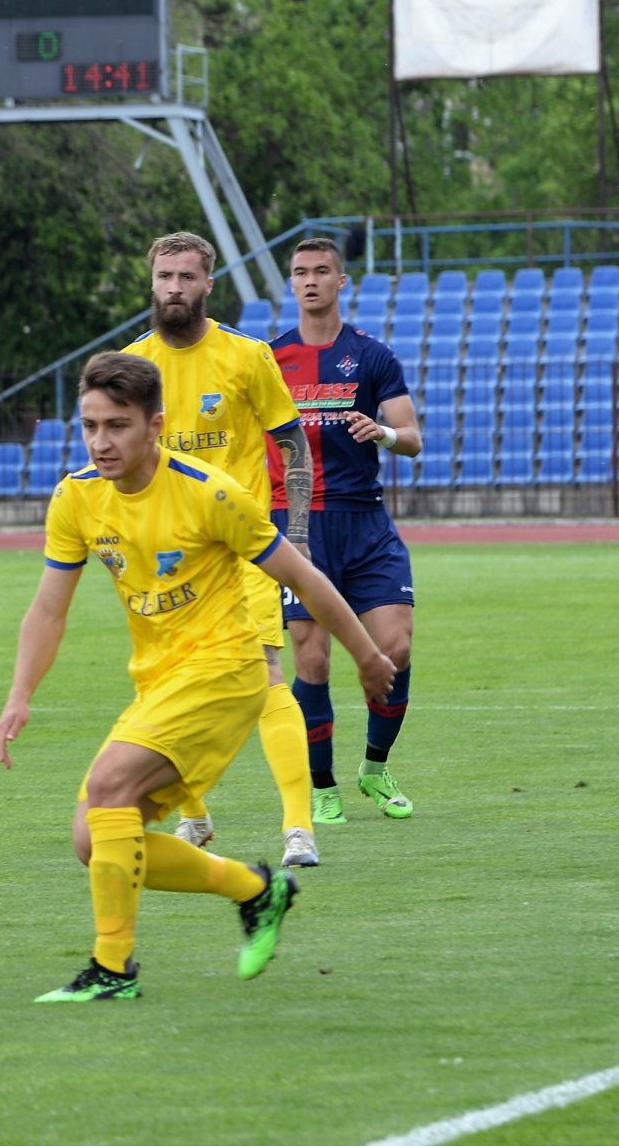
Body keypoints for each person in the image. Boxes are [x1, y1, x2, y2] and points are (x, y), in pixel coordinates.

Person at [0, 353, 395, 1002]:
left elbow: (301, 576)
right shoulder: (76, 497)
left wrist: (366, 655)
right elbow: (48, 609)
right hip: (159, 682)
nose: (101, 442)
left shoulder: (209, 493)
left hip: (226, 672)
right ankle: (257, 891)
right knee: (91, 838)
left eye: (117, 426)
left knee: (107, 784)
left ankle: (112, 969)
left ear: (155, 425)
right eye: (90, 425)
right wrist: (19, 695)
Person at [108, 231, 322, 868]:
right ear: (152, 284)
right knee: (170, 686)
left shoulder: (247, 357)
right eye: (164, 277)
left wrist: (299, 541)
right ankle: (195, 817)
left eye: (186, 277)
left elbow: (295, 450)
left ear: (208, 284)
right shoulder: (133, 367)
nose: (174, 288)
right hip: (168, 560)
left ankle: (299, 829)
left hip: (243, 549)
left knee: (266, 674)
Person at [269, 238, 424, 824]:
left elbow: (412, 437)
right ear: (292, 283)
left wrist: (381, 431)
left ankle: (375, 768)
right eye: (300, 272)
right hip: (298, 524)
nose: (310, 281)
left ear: (342, 281)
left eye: (321, 272)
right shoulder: (269, 358)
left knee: (397, 646)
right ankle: (323, 784)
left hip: (365, 520)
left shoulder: (373, 355)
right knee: (311, 660)